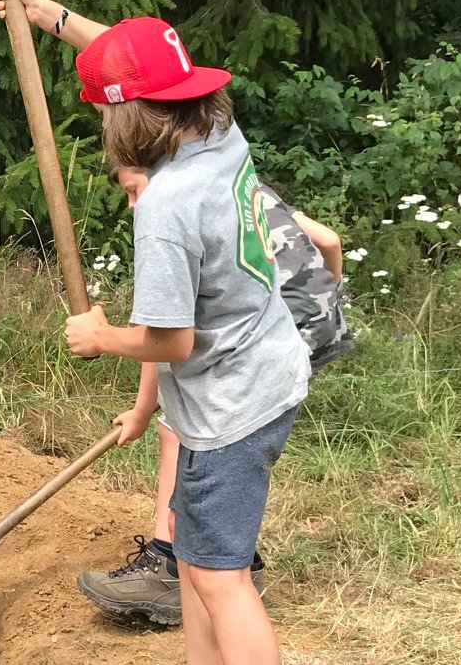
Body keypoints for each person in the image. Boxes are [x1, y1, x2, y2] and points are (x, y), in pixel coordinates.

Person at [0, 0, 318, 665]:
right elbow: (142, 67)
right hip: (265, 371)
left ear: (121, 120)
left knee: (219, 578)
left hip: (228, 407)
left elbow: (171, 339)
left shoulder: (166, 206)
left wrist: (102, 338)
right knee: (200, 560)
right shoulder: (217, 130)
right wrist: (49, 16)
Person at [78, 164, 350, 625]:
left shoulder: (176, 219)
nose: (132, 205)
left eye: (133, 191)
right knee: (219, 436)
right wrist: (326, 302)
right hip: (312, 327)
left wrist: (143, 410)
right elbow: (329, 241)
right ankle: (225, 555)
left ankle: (170, 563)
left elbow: (163, 339)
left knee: (184, 424)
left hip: (261, 336)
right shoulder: (244, 191)